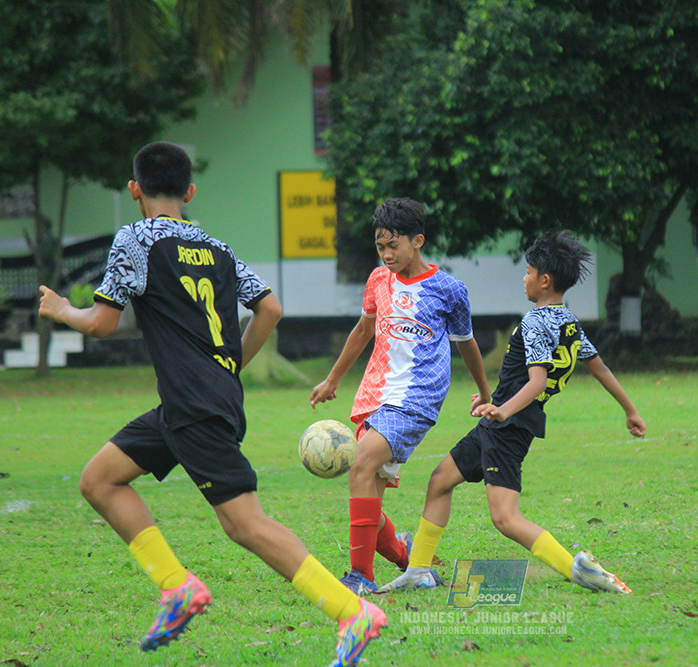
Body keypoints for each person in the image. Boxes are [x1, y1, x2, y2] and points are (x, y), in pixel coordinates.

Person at [38, 141, 386, 666]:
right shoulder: (216, 248)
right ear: (189, 192)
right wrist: (228, 366)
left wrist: (64, 309)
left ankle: (350, 611)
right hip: (201, 399)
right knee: (100, 479)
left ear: (134, 190)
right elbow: (269, 308)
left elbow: (103, 323)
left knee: (245, 524)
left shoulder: (135, 239)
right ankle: (177, 588)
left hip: (193, 403)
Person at [380, 230, 647, 594]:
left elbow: (536, 381)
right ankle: (418, 571)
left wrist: (503, 410)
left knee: (505, 518)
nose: (524, 279)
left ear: (545, 279)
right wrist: (630, 410)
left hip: (509, 425)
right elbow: (599, 367)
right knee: (440, 480)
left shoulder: (537, 321)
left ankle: (576, 568)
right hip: (503, 421)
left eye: (528, 272)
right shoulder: (567, 321)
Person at [309, 197, 492, 594]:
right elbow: (362, 332)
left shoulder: (448, 289)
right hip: (373, 396)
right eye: (380, 247)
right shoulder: (378, 281)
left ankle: (360, 577)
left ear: (418, 241)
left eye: (394, 246)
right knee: (367, 501)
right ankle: (413, 563)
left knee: (358, 469)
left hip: (416, 399)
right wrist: (332, 380)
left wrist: (483, 391)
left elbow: (467, 344)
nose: (387, 254)